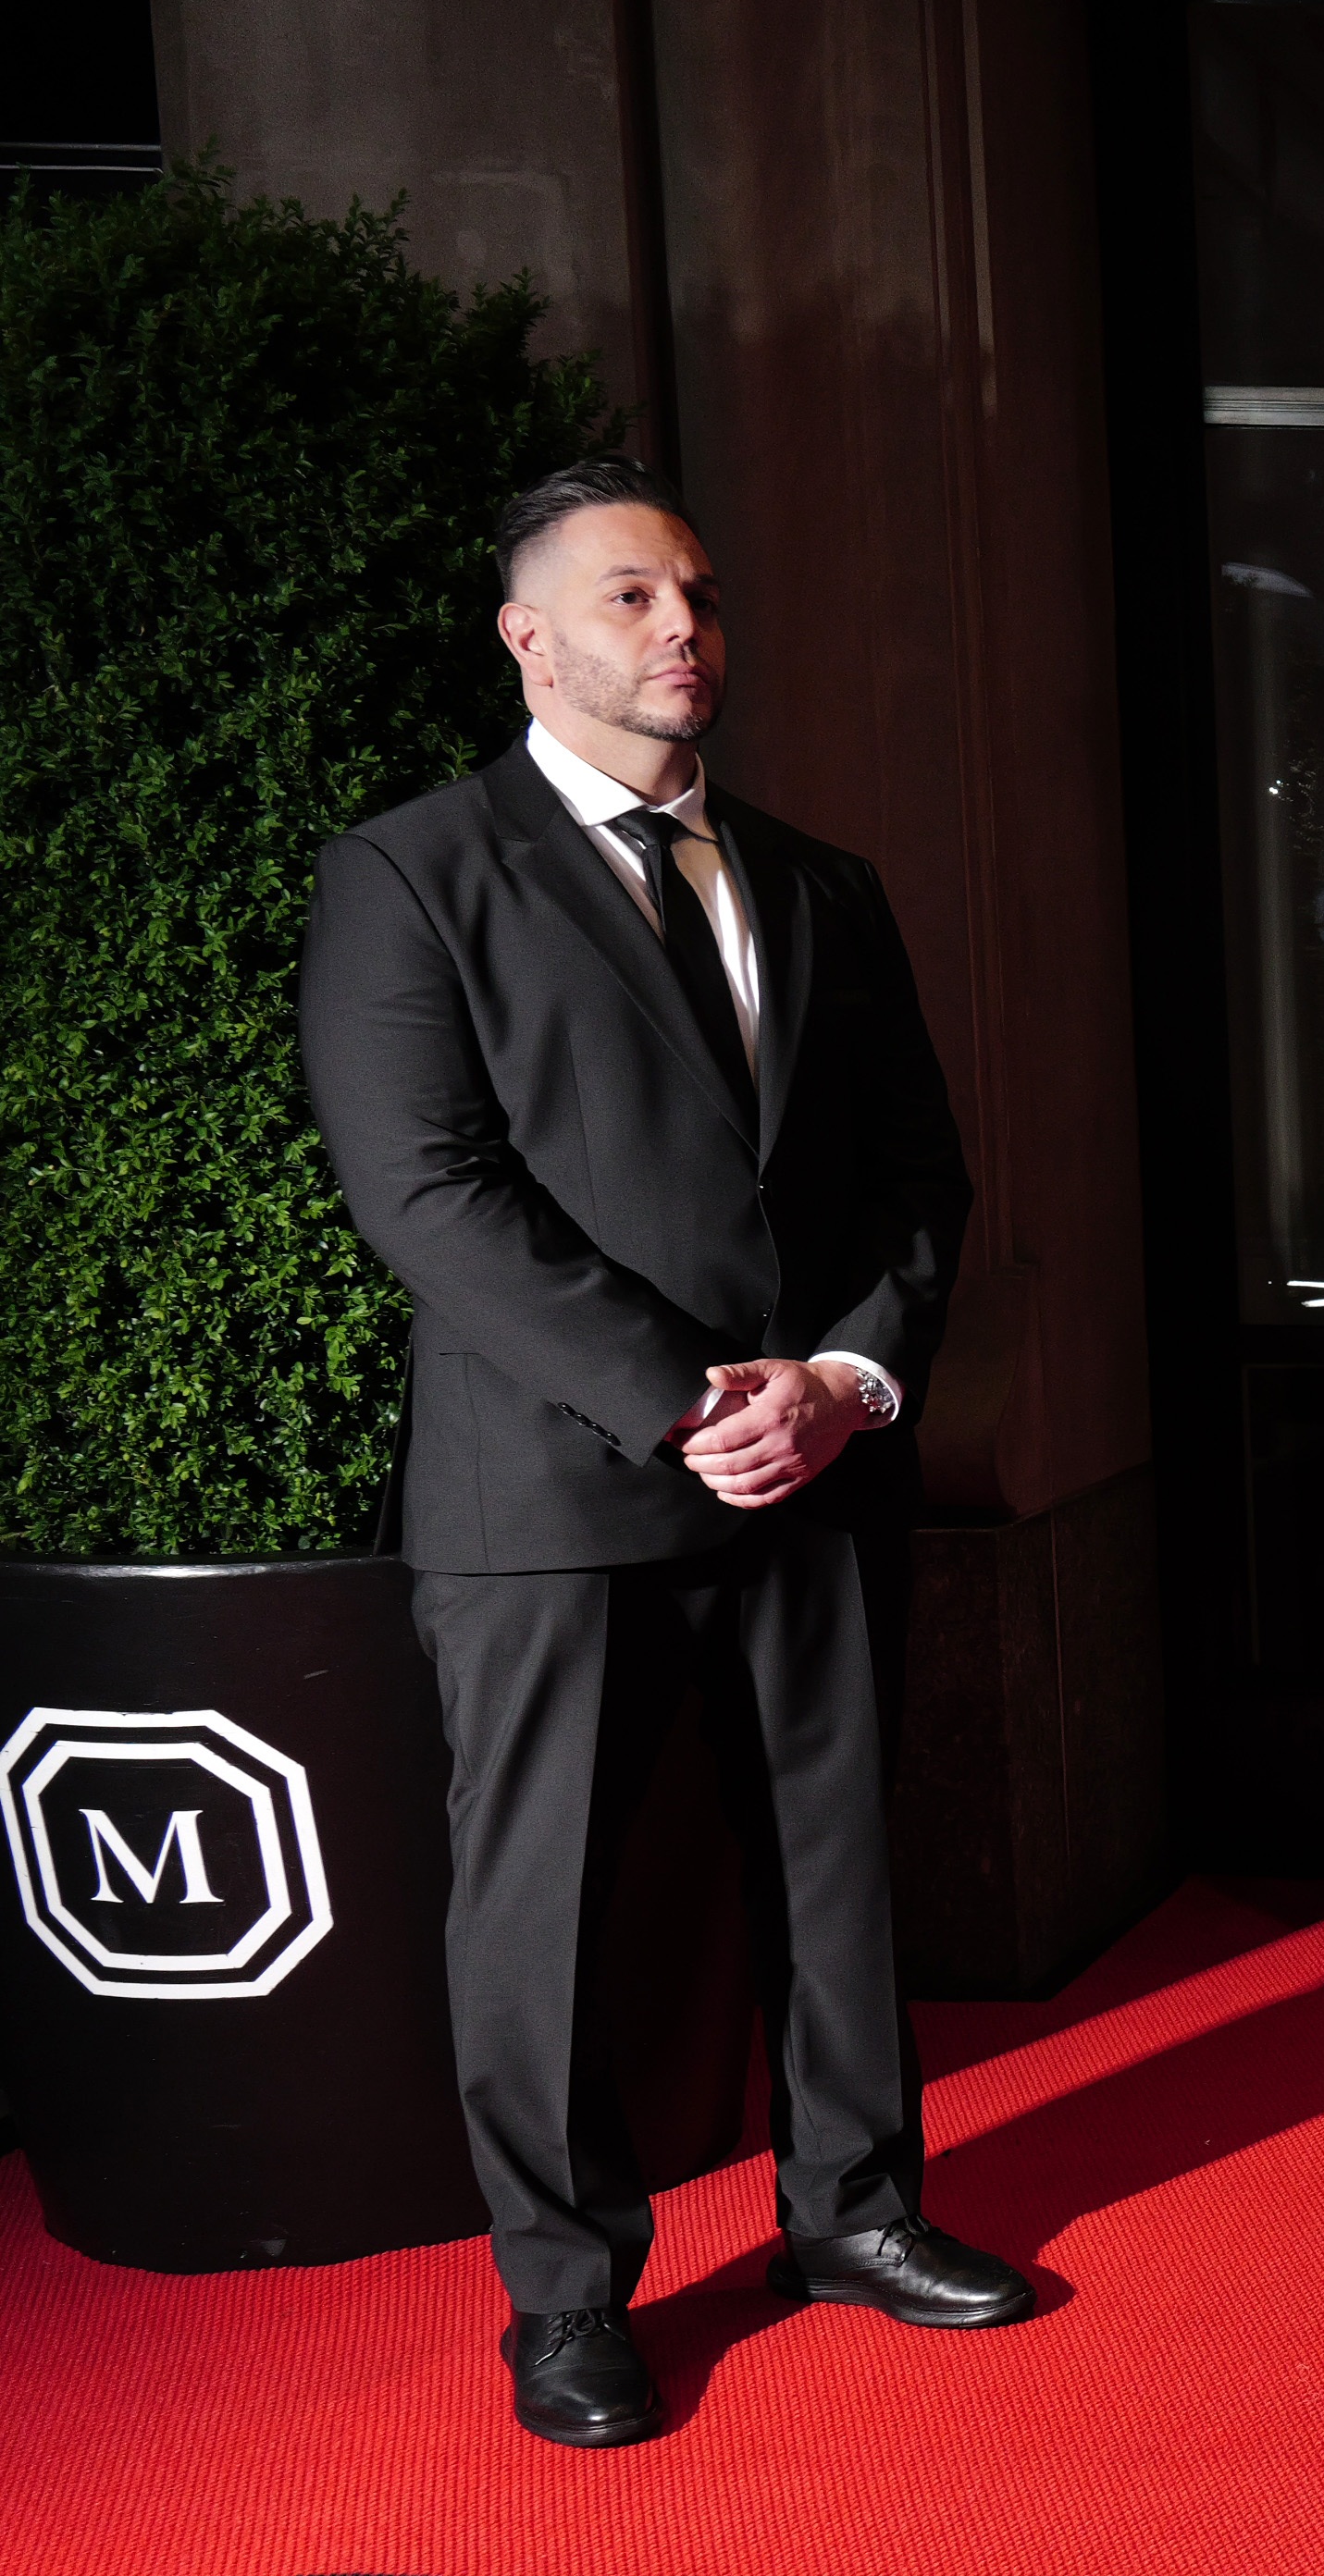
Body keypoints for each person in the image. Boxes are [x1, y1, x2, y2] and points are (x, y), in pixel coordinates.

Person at [299, 456, 1025, 2450]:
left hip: (815, 1464)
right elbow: (425, 1191)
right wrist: (686, 1398)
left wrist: (848, 1386)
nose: (682, 630)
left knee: (838, 1868)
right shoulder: (413, 872)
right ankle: (562, 2302)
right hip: (552, 1492)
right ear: (528, 638)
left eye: (695, 595)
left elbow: (913, 1188)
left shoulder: (820, 883)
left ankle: (858, 2216)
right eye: (630, 599)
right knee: (545, 1909)